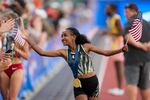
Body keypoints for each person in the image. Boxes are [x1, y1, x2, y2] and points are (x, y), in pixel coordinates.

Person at [22, 25, 128, 100]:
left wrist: (120, 50)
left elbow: (105, 52)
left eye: (65, 35)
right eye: (62, 36)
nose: (62, 38)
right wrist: (28, 39)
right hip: (79, 85)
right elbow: (42, 52)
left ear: (73, 37)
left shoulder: (86, 47)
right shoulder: (63, 52)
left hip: (92, 82)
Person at [123, 3, 150, 100]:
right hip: (146, 59)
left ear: (133, 11)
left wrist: (142, 46)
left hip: (132, 59)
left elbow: (127, 37)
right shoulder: (147, 23)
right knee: (145, 86)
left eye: (126, 12)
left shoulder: (131, 21)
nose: (125, 14)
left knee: (132, 83)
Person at [0, 11, 29, 100]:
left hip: (16, 68)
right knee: (5, 98)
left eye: (5, 21)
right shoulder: (2, 36)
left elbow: (26, 56)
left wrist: (16, 49)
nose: (3, 23)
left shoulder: (21, 36)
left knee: (12, 98)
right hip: (3, 68)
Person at [105, 4, 125, 96]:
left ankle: (120, 89)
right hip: (114, 44)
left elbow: (121, 32)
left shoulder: (116, 18)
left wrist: (109, 32)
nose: (106, 10)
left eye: (107, 8)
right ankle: (119, 88)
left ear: (112, 9)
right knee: (117, 67)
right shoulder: (110, 19)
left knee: (119, 67)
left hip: (118, 44)